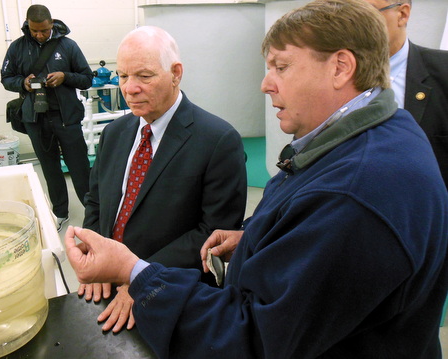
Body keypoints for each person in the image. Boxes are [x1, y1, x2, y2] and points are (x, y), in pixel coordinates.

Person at [66, 0, 448, 357]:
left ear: (341, 67)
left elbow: (256, 337)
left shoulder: (354, 193)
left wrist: (135, 273)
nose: (265, 84)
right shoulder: (378, 131)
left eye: (280, 67)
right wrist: (252, 236)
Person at [79, 26, 247, 333]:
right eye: (123, 75)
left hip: (166, 288)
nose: (129, 88)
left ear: (176, 73)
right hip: (107, 284)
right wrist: (97, 254)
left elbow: (212, 234)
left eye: (144, 76)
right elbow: (96, 201)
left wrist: (139, 276)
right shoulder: (114, 134)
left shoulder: (218, 140)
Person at [1, 4, 92, 230]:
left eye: (43, 30)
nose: (39, 35)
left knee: (80, 168)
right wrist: (22, 83)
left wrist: (65, 76)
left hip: (66, 118)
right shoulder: (17, 48)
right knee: (50, 168)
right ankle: (60, 212)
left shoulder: (68, 46)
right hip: (36, 119)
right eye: (34, 31)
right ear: (28, 26)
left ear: (52, 24)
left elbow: (86, 78)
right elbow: (6, 78)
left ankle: (94, 213)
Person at [364, 0, 448, 188]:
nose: (352, 26)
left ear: (402, 14)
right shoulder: (331, 74)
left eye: (365, 14)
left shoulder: (443, 72)